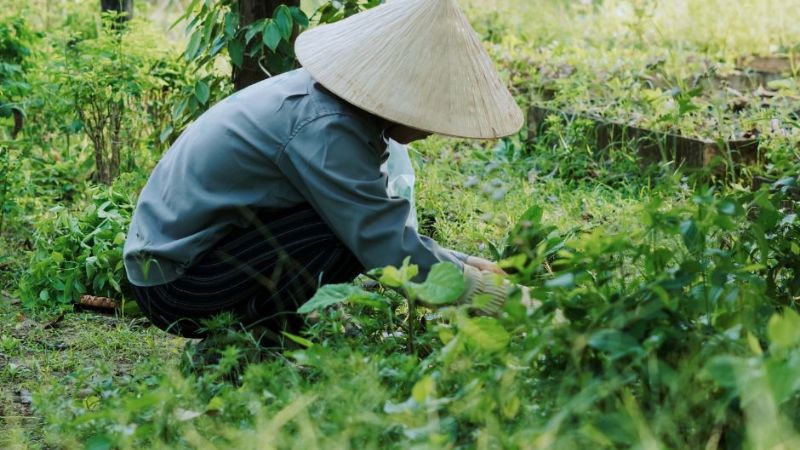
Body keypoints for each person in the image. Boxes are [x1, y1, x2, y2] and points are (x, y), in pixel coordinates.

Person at [123, 0, 524, 340]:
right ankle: (258, 342)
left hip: (193, 259)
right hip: (176, 285)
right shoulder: (326, 129)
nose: (433, 126)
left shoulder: (329, 107)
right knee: (344, 238)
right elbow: (383, 246)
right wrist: (501, 299)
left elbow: (377, 222)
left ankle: (265, 334)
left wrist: (463, 262)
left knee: (347, 227)